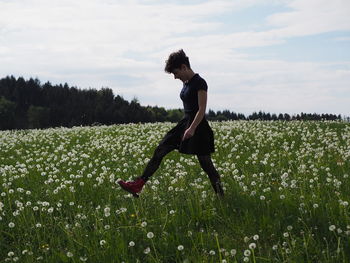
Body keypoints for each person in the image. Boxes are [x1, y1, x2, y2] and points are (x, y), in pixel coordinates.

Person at [118, 49, 224, 197]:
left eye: (175, 73)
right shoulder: (186, 83)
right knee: (160, 150)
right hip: (185, 123)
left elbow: (202, 110)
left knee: (207, 165)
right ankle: (138, 184)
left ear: (183, 67)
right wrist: (187, 127)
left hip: (198, 127)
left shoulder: (200, 83)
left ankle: (221, 196)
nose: (175, 77)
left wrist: (192, 128)